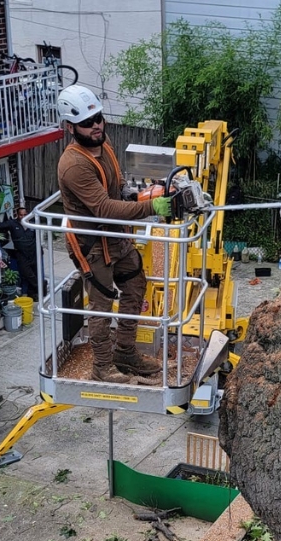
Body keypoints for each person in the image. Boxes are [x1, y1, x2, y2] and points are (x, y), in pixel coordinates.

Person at [55, 85, 172, 382]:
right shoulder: (73, 164)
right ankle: (102, 367)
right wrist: (151, 207)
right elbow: (104, 208)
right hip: (92, 245)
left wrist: (140, 196)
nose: (96, 126)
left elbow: (116, 190)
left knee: (135, 287)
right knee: (102, 304)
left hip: (116, 237)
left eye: (98, 118)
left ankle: (125, 352)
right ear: (71, 128)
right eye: (87, 123)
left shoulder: (104, 146)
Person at [0, 206, 43, 300]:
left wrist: (40, 252)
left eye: (25, 215)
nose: (23, 217)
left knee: (34, 273)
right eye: (21, 215)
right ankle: (40, 288)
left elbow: (37, 239)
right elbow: (0, 225)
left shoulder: (33, 225)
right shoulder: (12, 223)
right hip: (21, 254)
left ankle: (33, 294)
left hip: (33, 253)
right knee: (28, 274)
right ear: (17, 215)